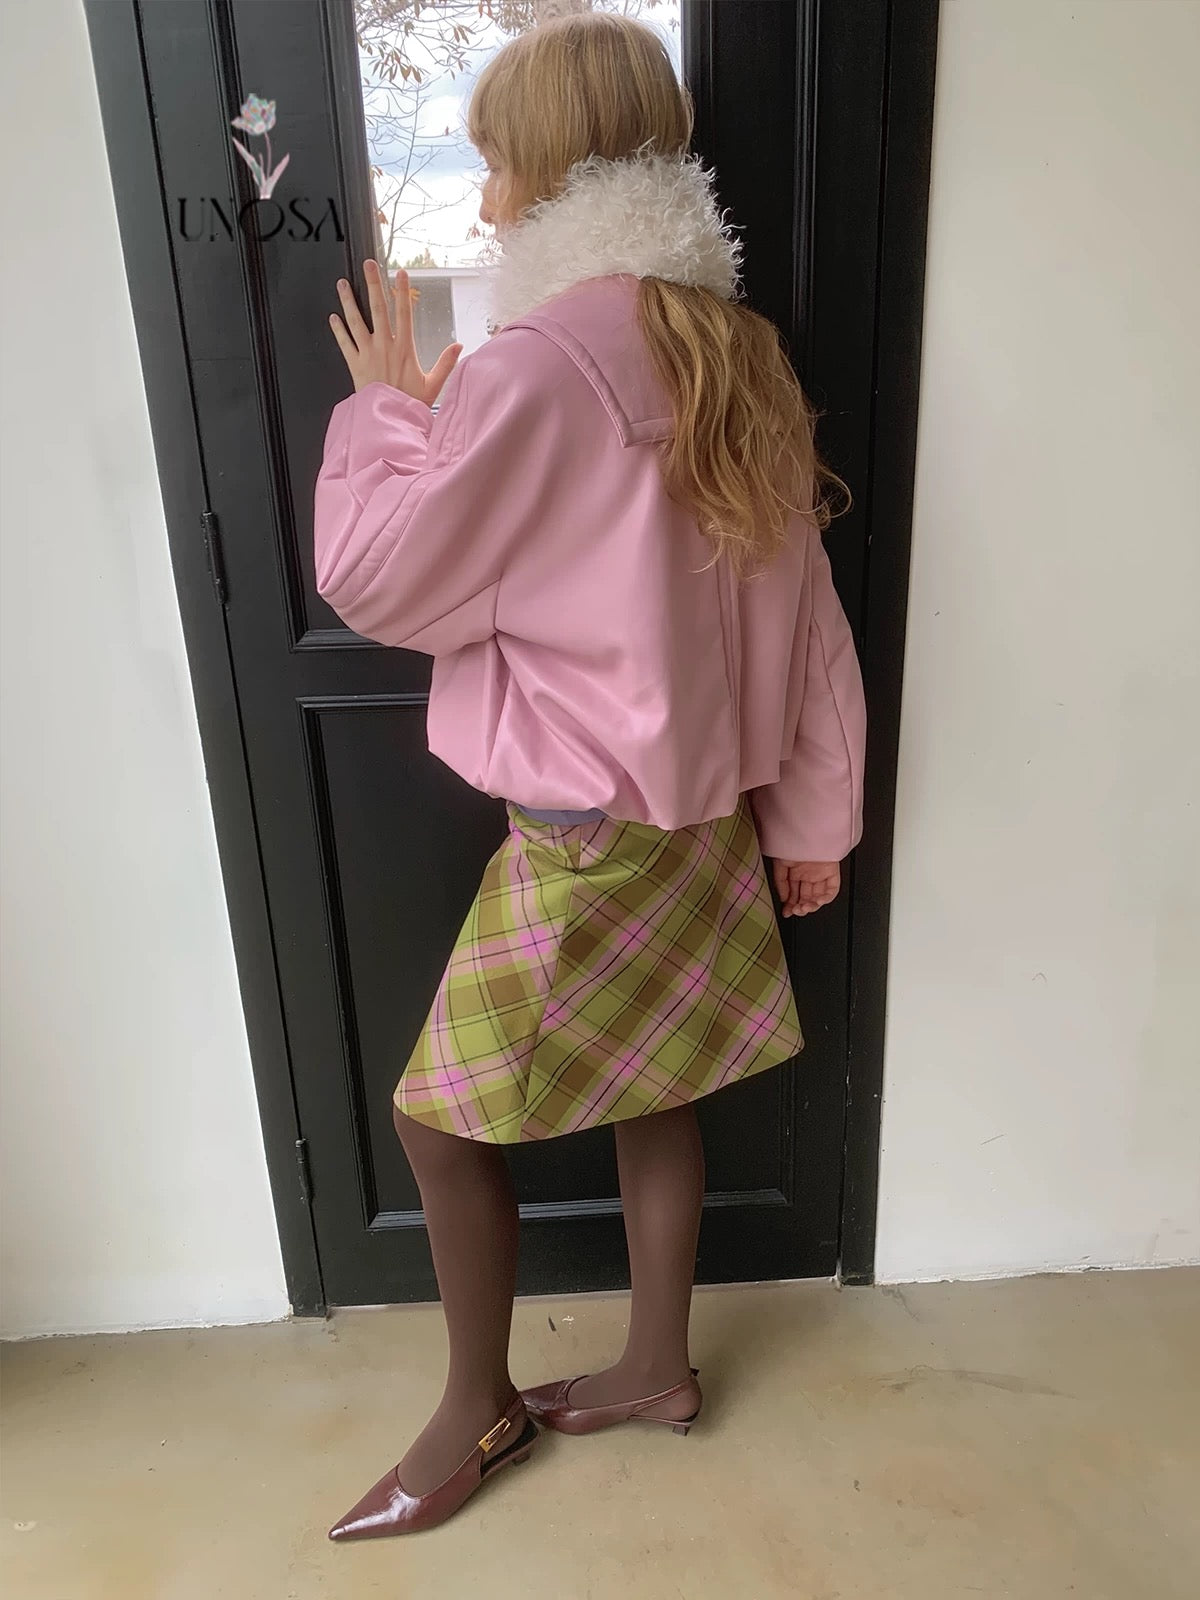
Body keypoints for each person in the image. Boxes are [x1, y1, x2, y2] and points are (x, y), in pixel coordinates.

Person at [314, 11, 865, 1542]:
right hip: (705, 826)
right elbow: (812, 624)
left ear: (555, 167)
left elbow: (383, 578)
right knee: (658, 1088)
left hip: (582, 834)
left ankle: (474, 1409)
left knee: (438, 1127)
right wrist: (813, 819)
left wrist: (385, 410)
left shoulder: (538, 364)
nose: (486, 194)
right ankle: (656, 1369)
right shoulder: (738, 351)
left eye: (496, 160)